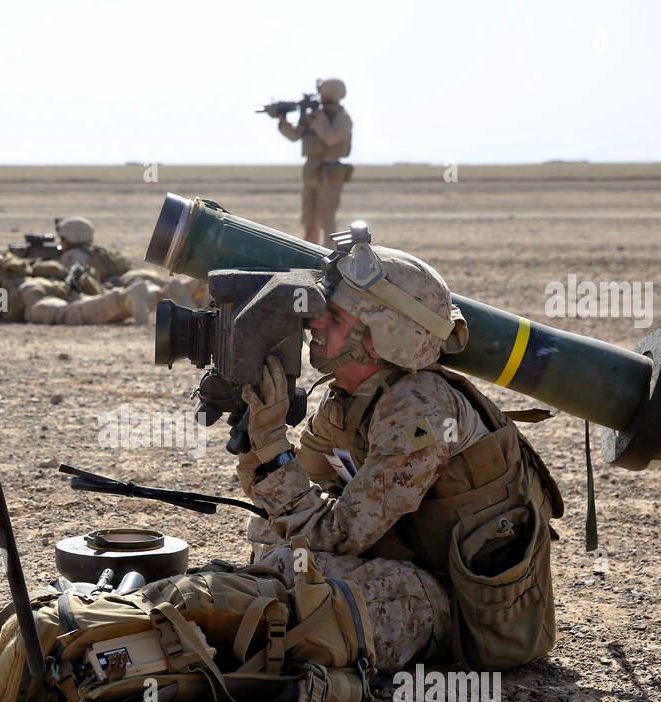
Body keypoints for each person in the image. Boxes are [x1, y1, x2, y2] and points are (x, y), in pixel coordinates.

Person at [233, 238, 562, 673]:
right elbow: (294, 502)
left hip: (469, 613)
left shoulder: (419, 409)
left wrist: (273, 444)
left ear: (378, 340)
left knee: (297, 576)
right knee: (271, 538)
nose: (314, 322)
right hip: (414, 563)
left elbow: (339, 533)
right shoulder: (351, 399)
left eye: (333, 317)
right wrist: (258, 435)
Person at [0, 230, 147, 324]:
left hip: (29, 296)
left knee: (67, 314)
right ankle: (136, 299)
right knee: (85, 303)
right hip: (43, 284)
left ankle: (122, 299)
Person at [55, 216, 205, 315]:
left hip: (123, 282)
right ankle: (198, 286)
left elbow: (73, 280)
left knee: (144, 296)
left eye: (62, 238)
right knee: (159, 287)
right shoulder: (100, 251)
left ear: (69, 239)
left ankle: (171, 295)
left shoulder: (72, 255)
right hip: (138, 274)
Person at [276, 78, 353, 244]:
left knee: (326, 219)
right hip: (311, 172)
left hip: (330, 173)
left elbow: (331, 138)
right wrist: (282, 119)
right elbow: (294, 135)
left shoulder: (342, 118)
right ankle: (311, 257)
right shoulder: (315, 115)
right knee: (309, 219)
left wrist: (318, 119)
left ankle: (330, 256)